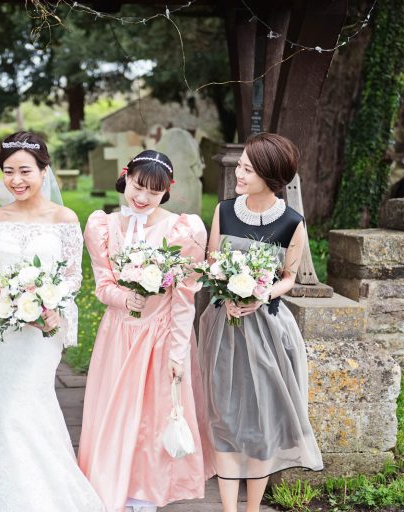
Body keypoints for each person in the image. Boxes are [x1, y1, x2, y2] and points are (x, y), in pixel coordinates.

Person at [0, 131, 104, 512]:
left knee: (27, 405)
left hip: (43, 330)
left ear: (45, 171)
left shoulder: (64, 218)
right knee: (1, 404)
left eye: (25, 170)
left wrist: (44, 305)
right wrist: (11, 302)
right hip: (2, 329)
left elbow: (73, 275)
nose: (17, 180)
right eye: (8, 171)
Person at [79, 150, 214, 512]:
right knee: (115, 410)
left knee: (153, 415)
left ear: (165, 192)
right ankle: (110, 483)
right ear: (127, 178)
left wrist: (178, 351)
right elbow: (102, 285)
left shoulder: (182, 229)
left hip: (161, 331)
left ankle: (144, 492)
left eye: (153, 193)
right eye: (137, 187)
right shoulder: (103, 226)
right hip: (119, 332)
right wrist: (126, 299)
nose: (141, 198)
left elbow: (185, 297)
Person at [198, 133, 323, 512]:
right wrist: (227, 291)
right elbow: (212, 262)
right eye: (239, 165)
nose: (238, 172)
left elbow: (289, 275)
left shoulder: (291, 221)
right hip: (224, 328)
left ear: (269, 175)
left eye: (247, 168)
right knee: (223, 415)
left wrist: (260, 294)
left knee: (263, 419)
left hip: (268, 330)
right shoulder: (223, 211)